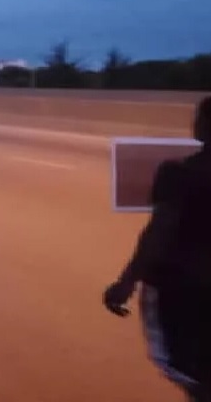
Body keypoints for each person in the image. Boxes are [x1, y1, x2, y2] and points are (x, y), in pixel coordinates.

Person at [104, 95, 211, 402]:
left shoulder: (179, 174)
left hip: (181, 286)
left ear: (204, 127)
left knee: (184, 366)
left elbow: (160, 231)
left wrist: (126, 282)